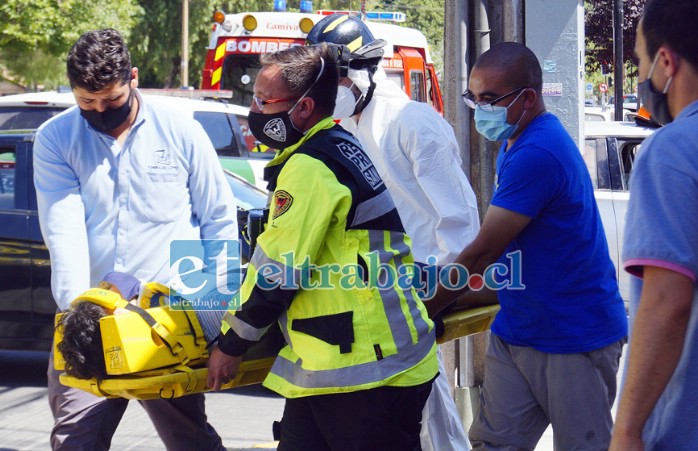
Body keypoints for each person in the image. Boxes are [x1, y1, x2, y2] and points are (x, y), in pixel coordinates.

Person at [206, 43, 439, 451]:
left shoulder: (311, 167)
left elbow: (278, 271)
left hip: (367, 370)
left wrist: (231, 345)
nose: (255, 110)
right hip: (336, 364)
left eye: (264, 100)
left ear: (304, 107)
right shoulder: (337, 144)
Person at [34, 28, 237, 451]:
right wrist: (79, 318)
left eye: (111, 99)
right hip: (91, 322)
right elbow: (63, 230)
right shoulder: (56, 139)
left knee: (190, 441)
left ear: (134, 78)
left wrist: (216, 315)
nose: (100, 110)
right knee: (76, 440)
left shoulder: (182, 133)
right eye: (86, 102)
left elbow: (218, 222)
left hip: (167, 323)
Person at [427, 42, 628, 450]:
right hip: (518, 329)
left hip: (574, 339)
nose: (479, 109)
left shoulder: (537, 152)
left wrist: (424, 311)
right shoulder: (516, 141)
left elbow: (483, 253)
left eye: (489, 99)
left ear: (528, 98)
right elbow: (517, 258)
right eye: (474, 97)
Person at [305, 14, 480, 451]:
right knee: (400, 425)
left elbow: (460, 225)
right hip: (376, 304)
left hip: (419, 300)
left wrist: (437, 301)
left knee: (433, 422)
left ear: (366, 68)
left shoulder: (414, 124)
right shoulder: (349, 126)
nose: (331, 93)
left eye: (337, 80)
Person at [609, 1, 698, 449]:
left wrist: (626, 430)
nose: (642, 80)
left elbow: (666, 299)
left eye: (641, 63)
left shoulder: (673, 151)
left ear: (666, 62)